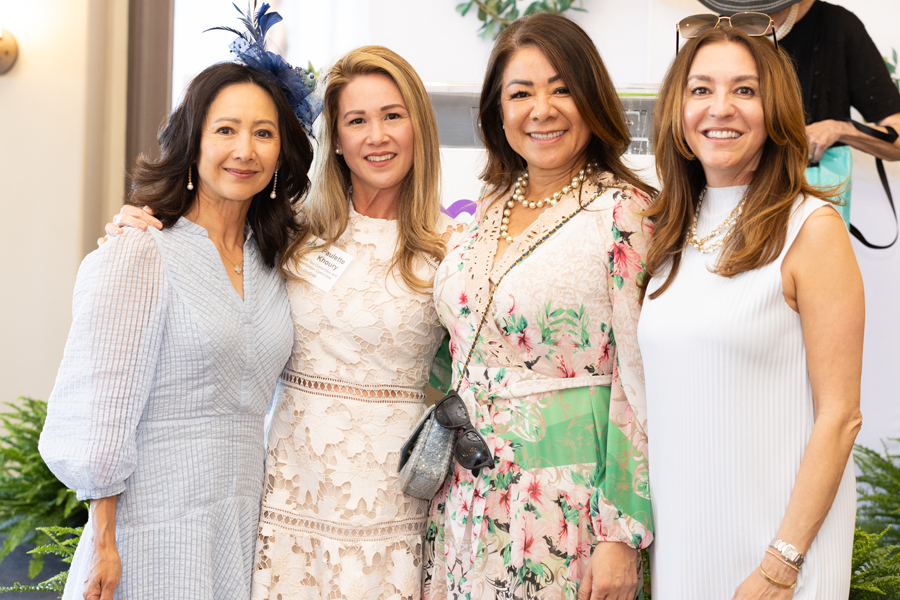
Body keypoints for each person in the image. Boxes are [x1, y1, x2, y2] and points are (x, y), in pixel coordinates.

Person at [104, 45, 460, 600]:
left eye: (393, 115)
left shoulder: (454, 250)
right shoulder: (291, 237)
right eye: (356, 121)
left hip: (395, 503)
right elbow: (208, 246)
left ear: (419, 126)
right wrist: (138, 227)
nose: (377, 136)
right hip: (288, 496)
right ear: (334, 138)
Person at [39, 58, 315, 599]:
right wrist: (104, 541)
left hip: (241, 529)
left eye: (263, 133)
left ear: (282, 153)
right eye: (226, 130)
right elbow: (103, 408)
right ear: (193, 144)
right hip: (152, 528)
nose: (245, 150)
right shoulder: (142, 250)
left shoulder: (274, 262)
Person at [423, 13, 655, 600]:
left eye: (561, 89)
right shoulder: (487, 208)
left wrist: (620, 533)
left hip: (562, 511)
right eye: (520, 93)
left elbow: (639, 380)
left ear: (592, 100)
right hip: (465, 500)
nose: (541, 110)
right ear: (497, 111)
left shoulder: (623, 212)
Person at [639, 23, 862, 599]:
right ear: (678, 111)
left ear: (775, 110)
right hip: (685, 544)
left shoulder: (812, 229)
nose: (721, 108)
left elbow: (840, 417)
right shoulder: (667, 234)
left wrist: (781, 565)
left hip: (780, 555)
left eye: (745, 90)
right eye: (701, 89)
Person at [699, 0, 900, 229]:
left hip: (808, 204)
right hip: (729, 200)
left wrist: (840, 129)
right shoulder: (719, 31)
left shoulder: (837, 26)